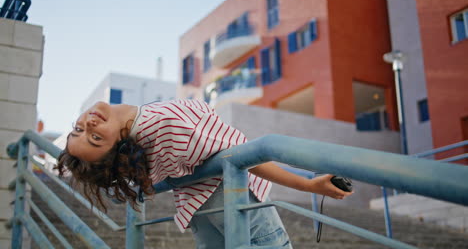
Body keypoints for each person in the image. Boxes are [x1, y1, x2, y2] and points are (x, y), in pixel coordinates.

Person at [55, 99, 353, 248]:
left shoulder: (144, 125)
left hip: (200, 206)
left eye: (78, 130)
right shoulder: (166, 125)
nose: (89, 127)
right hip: (225, 197)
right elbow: (242, 155)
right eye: (95, 139)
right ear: (118, 145)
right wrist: (308, 184)